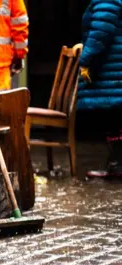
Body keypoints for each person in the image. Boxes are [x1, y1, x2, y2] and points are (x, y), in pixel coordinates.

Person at [78, 0, 122, 177]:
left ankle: (117, 165)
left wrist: (85, 59)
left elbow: (100, 33)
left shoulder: (107, 1)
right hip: (115, 67)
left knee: (113, 117)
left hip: (112, 68)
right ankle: (115, 164)